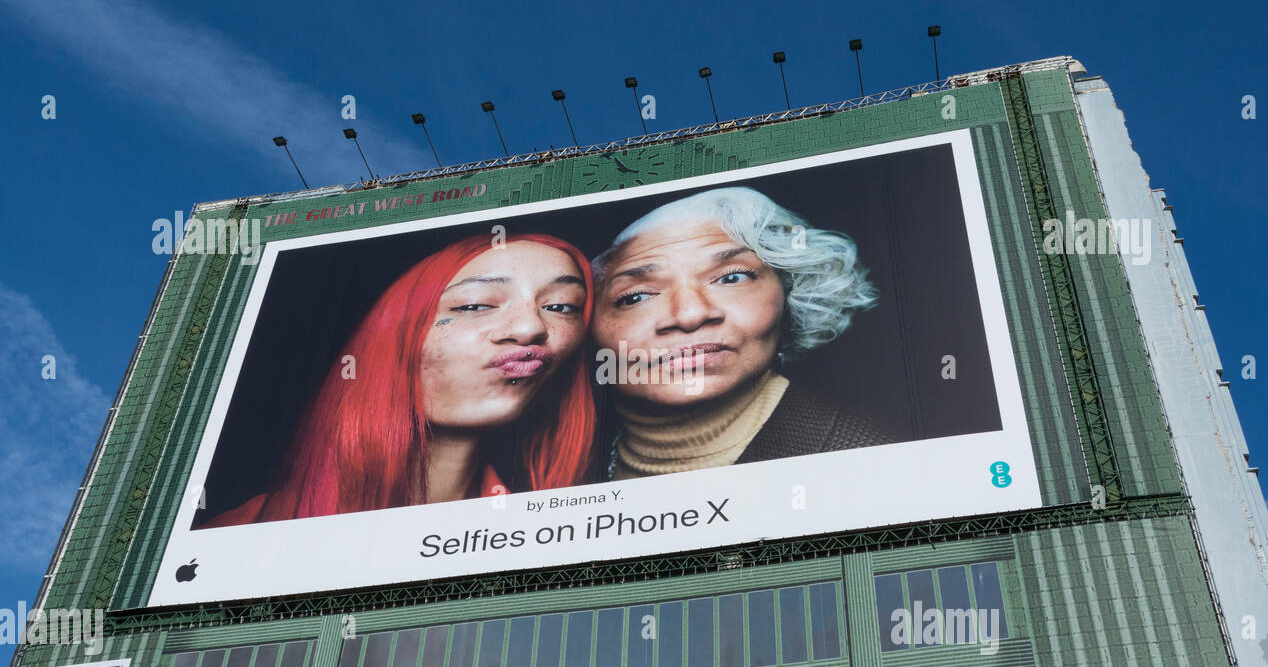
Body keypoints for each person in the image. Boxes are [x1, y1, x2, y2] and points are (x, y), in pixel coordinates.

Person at [201, 232, 596, 527]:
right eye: (474, 305)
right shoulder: (237, 535)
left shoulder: (551, 535)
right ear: (393, 334)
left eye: (561, 307)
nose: (531, 327)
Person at [590, 186, 898, 482]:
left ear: (789, 293)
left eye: (731, 278)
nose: (690, 314)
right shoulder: (566, 460)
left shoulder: (868, 465)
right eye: (636, 297)